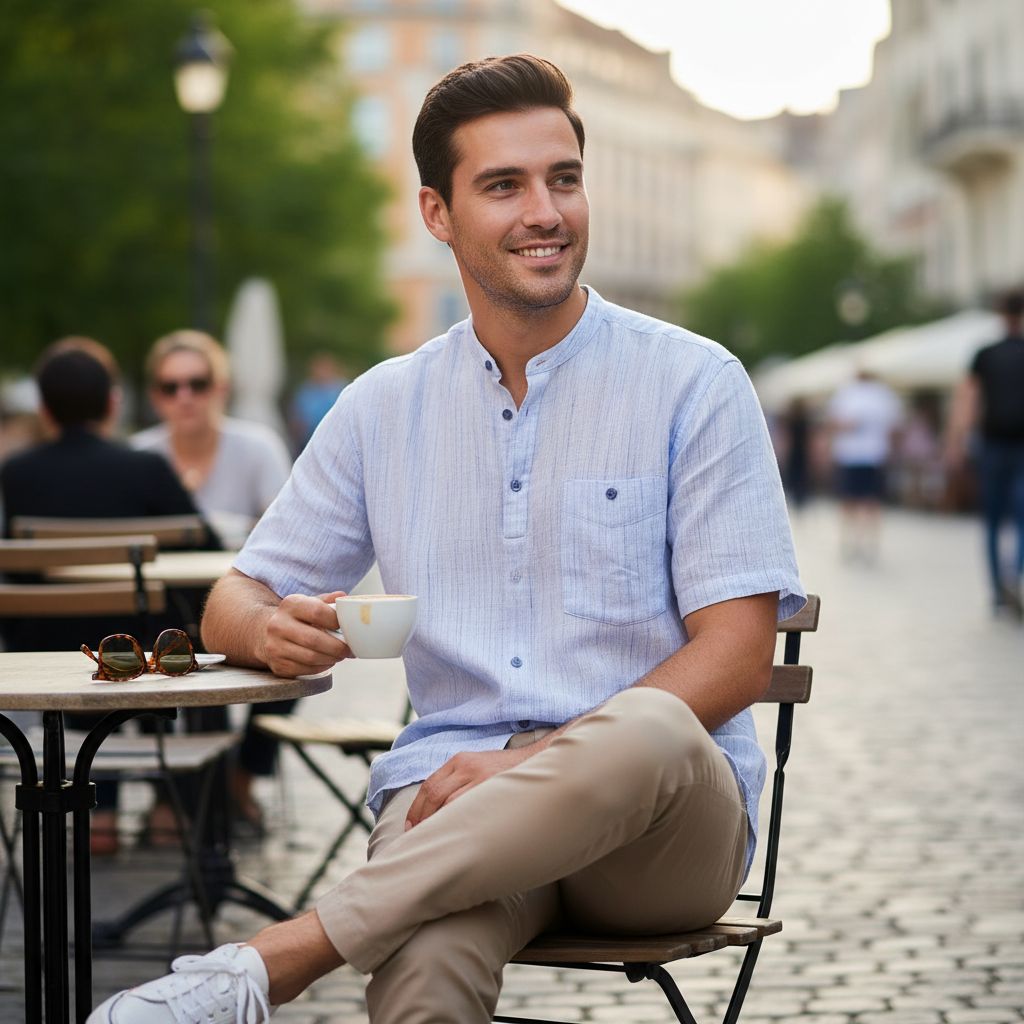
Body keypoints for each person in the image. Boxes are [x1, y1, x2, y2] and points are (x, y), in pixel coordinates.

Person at [88, 55, 804, 1024]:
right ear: (437, 213)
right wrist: (268, 628)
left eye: (563, 178)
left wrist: (535, 762)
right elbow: (232, 599)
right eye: (504, 186)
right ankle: (280, 961)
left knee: (647, 725)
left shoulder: (693, 382)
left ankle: (276, 959)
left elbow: (738, 656)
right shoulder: (383, 406)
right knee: (423, 965)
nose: (545, 212)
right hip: (452, 800)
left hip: (659, 830)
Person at [0, 337, 215, 855]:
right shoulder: (145, 468)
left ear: (45, 409)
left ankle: (101, 819)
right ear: (113, 404)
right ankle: (179, 813)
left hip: (42, 658)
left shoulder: (16, 474)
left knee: (82, 645)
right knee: (167, 639)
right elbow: (207, 550)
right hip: (135, 662)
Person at [131, 329, 296, 827]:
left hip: (242, 597)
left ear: (220, 388)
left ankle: (240, 778)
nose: (184, 397)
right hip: (158, 605)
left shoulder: (256, 447)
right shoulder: (140, 455)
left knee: (293, 647)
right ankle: (173, 792)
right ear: (156, 395)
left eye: (197, 384)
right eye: (170, 386)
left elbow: (286, 532)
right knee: (136, 650)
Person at [946, 289, 1024, 616]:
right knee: (1022, 515)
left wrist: (956, 443)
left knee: (992, 520)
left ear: (1000, 314)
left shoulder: (985, 354)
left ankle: (997, 590)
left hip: (992, 443)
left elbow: (967, 401)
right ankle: (1014, 573)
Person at [826, 369, 903, 563]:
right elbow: (895, 428)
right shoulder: (883, 395)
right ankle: (865, 542)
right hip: (870, 455)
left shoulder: (846, 394)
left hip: (855, 455)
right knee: (869, 501)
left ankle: (854, 542)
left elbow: (833, 423)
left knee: (853, 501)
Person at [288, 352, 349, 454]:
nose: (321, 372)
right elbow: (296, 415)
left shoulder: (341, 389)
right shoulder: (306, 390)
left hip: (335, 440)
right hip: (308, 440)